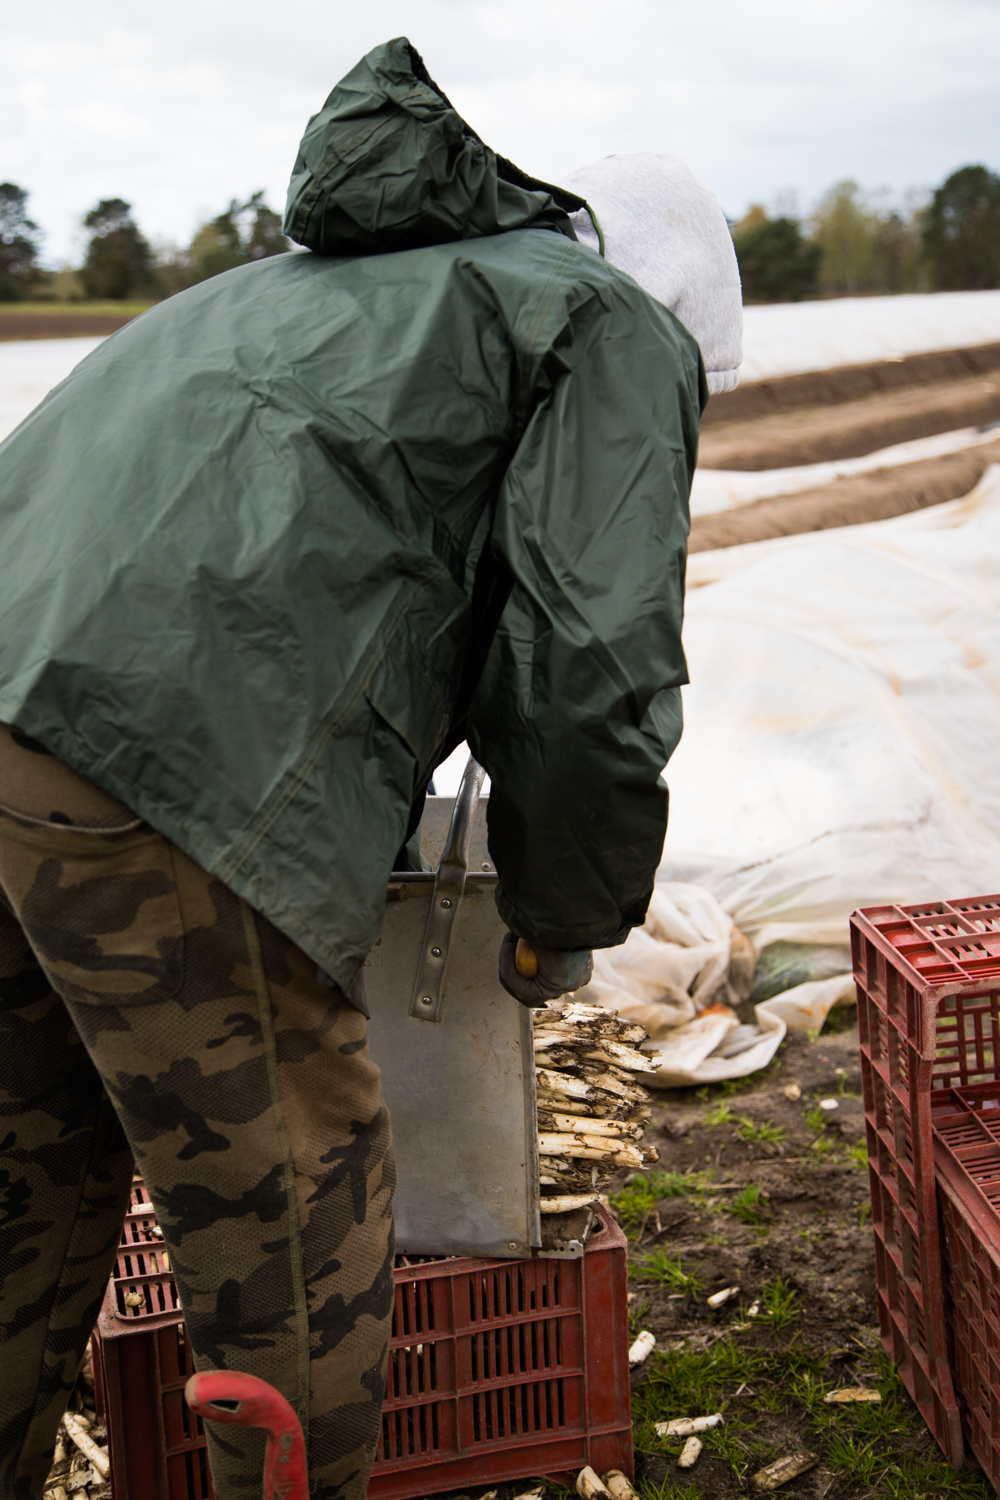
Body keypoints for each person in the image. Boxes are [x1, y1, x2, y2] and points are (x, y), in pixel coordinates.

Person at [0, 37, 741, 1500]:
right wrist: (564, 909)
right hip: (158, 770)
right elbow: (593, 668)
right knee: (291, 1212)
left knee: (27, 1176)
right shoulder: (609, 325)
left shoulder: (290, 292)